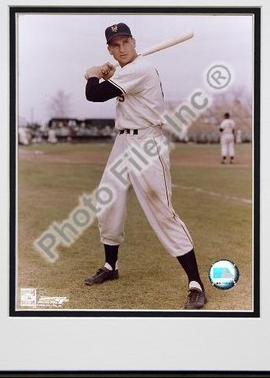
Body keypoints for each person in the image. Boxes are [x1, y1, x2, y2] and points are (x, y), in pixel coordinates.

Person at [83, 22, 206, 310]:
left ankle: (196, 283)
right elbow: (109, 88)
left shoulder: (142, 68)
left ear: (134, 42)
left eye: (125, 42)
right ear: (110, 49)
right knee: (108, 200)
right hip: (123, 142)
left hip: (147, 144)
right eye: (115, 45)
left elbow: (95, 94)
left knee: (162, 212)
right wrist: (110, 74)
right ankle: (110, 266)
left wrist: (92, 75)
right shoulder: (126, 71)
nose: (121, 48)